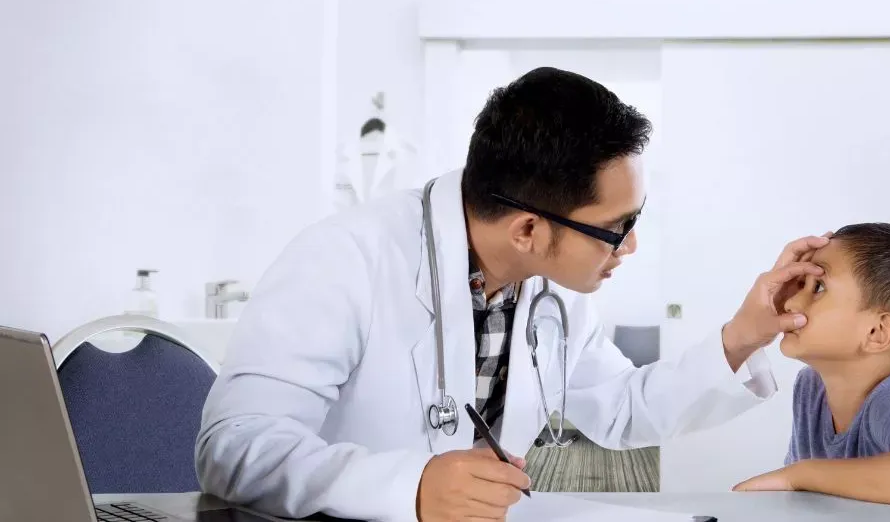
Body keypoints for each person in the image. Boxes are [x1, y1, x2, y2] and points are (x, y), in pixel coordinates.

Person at [195, 66, 828, 522]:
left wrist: (748, 333)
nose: (629, 248)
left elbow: (619, 410)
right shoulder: (345, 259)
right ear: (528, 229)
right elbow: (235, 449)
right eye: (616, 229)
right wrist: (406, 487)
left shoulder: (551, 287)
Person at [733, 223, 890, 507]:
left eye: (817, 287)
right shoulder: (810, 388)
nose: (790, 302)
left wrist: (798, 475)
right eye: (798, 285)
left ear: (876, 332)